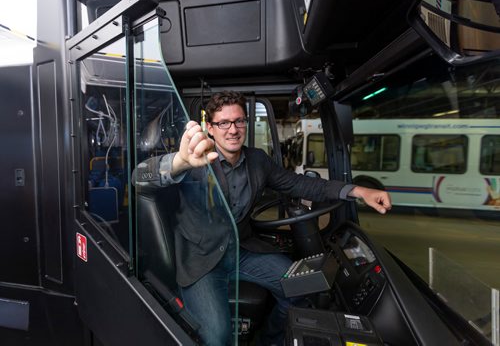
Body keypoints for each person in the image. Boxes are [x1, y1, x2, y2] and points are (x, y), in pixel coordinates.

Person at [135, 91, 392, 345]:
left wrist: (356, 190)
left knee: (302, 291)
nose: (233, 129)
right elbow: (139, 175)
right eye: (223, 123)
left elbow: (300, 184)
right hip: (201, 260)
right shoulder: (195, 159)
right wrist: (179, 162)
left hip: (242, 252)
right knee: (216, 338)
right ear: (210, 128)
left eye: (239, 121)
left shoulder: (258, 161)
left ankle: (269, 341)